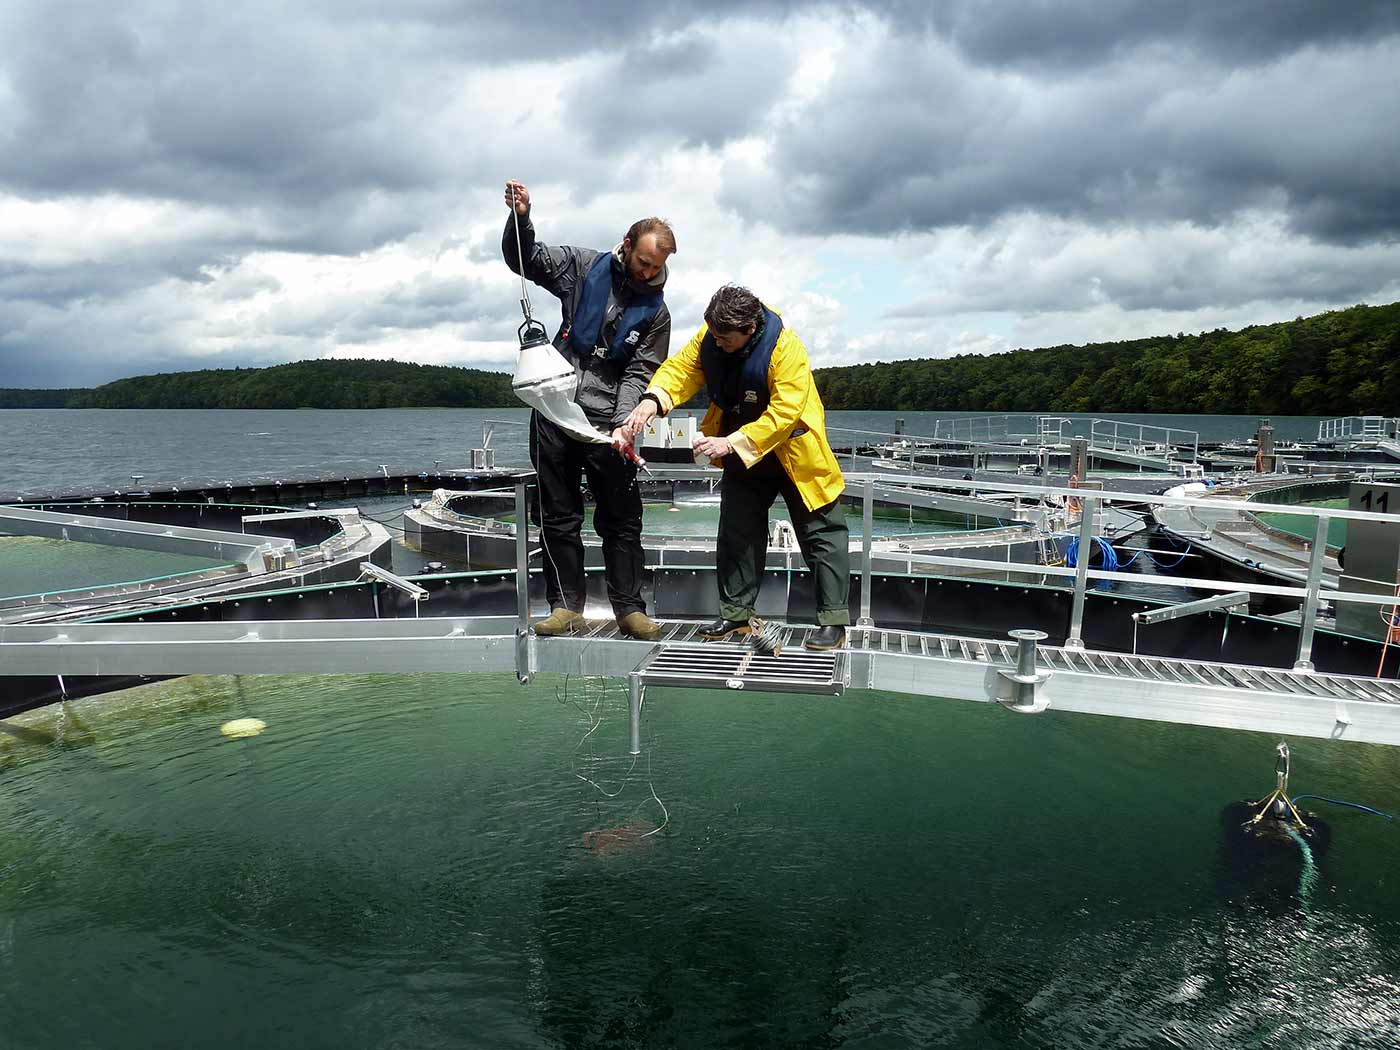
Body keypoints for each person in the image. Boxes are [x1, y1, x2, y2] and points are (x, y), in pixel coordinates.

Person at [623, 284, 850, 650]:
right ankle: (736, 615)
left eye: (726, 339)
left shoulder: (786, 349)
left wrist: (730, 443)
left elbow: (785, 413)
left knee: (822, 534)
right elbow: (681, 371)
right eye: (715, 336)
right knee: (737, 533)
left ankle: (834, 622)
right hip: (743, 453)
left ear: (749, 329)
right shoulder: (713, 333)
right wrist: (653, 400)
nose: (719, 343)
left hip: (794, 449)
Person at [502, 180, 676, 640]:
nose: (647, 273)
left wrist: (623, 425)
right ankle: (565, 607)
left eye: (656, 267)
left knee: (622, 521)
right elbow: (526, 259)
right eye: (643, 262)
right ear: (626, 245)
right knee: (558, 516)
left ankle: (630, 610)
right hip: (555, 411)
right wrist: (521, 218)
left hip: (607, 424)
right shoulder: (581, 267)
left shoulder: (657, 314)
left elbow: (640, 373)